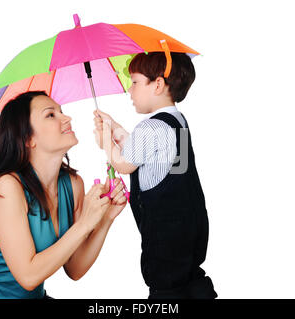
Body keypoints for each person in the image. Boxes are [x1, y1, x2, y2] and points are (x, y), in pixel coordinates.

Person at [0, 91, 127, 299]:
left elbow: (75, 269)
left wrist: (105, 218)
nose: (67, 118)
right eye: (51, 115)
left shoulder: (73, 185)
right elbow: (28, 276)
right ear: (28, 139)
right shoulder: (8, 187)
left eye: (61, 111)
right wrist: (84, 224)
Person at [93, 52, 217, 299]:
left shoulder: (149, 127)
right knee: (188, 280)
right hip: (189, 229)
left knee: (165, 291)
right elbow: (150, 156)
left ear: (158, 84)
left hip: (164, 236)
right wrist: (116, 129)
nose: (130, 90)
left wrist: (106, 142)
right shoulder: (176, 121)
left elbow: (125, 164)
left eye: (135, 82)